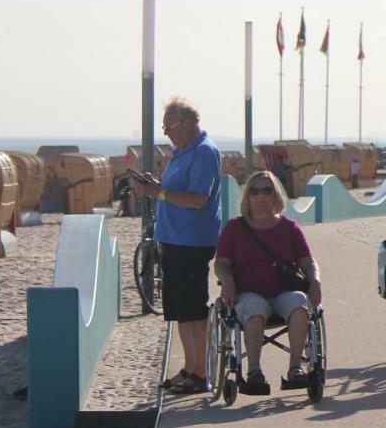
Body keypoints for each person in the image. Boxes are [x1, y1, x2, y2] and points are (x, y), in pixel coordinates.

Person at [130, 98, 223, 393]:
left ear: (189, 123)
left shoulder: (204, 152)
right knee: (179, 310)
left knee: (193, 308)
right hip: (172, 238)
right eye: (165, 127)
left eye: (170, 126)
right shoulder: (180, 152)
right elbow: (173, 190)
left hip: (192, 241)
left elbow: (198, 199)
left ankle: (201, 373)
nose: (167, 133)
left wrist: (158, 191)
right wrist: (155, 186)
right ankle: (189, 367)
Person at [215, 170, 323, 394]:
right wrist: (227, 283)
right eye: (255, 191)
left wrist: (315, 282)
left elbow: (307, 261)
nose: (261, 196)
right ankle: (254, 371)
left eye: (267, 190)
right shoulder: (234, 228)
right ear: (248, 197)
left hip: (284, 292)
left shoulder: (289, 228)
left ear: (276, 196)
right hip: (248, 293)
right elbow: (222, 263)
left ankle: (296, 368)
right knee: (254, 308)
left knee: (300, 303)